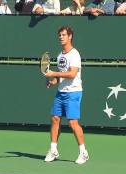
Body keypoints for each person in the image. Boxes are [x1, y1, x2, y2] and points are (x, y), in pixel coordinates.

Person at [44, 26, 89, 165]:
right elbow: (61, 75)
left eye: (64, 35)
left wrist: (54, 74)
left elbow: (72, 74)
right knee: (55, 118)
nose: (61, 37)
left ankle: (83, 152)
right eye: (59, 35)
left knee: (72, 122)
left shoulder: (75, 54)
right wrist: (53, 81)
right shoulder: (60, 55)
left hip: (74, 92)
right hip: (61, 92)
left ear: (70, 36)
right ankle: (53, 150)